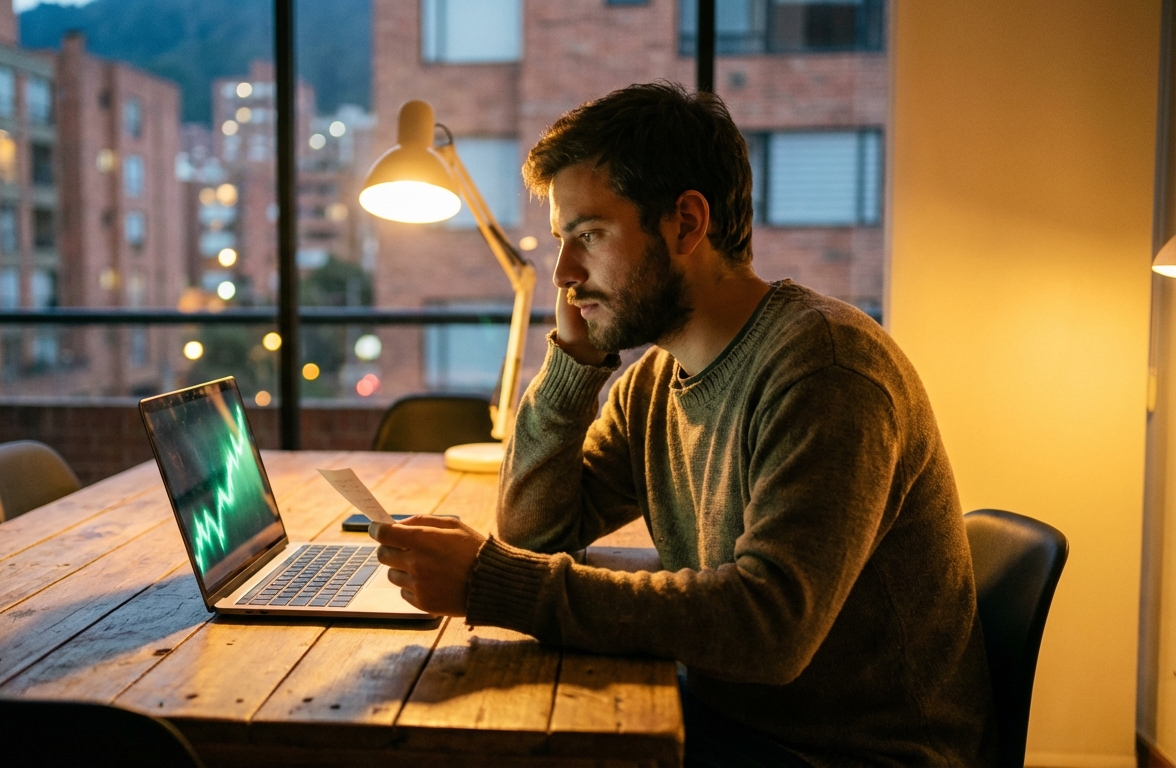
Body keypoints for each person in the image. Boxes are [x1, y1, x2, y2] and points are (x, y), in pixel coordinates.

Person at [369, 82, 994, 767]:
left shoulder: (826, 369)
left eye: (590, 235)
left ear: (686, 225)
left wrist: (493, 583)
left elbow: (769, 626)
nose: (564, 275)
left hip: (846, 754)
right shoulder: (654, 382)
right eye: (561, 240)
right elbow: (537, 534)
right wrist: (575, 364)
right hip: (734, 715)